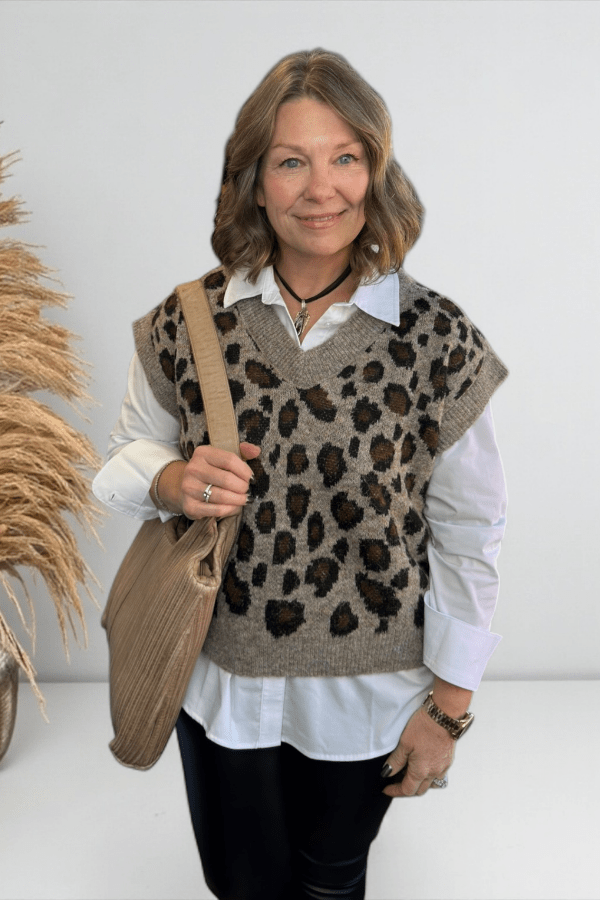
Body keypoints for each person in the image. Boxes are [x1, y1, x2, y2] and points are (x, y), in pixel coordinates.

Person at [93, 48, 508, 900]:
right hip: (217, 682)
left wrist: (450, 710)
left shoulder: (437, 340)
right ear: (252, 177)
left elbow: (472, 530)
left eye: (344, 158)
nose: (322, 188)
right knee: (240, 887)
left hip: (372, 696)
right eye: (292, 161)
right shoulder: (188, 320)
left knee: (332, 883)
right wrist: (175, 483)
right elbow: (125, 457)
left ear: (375, 170)